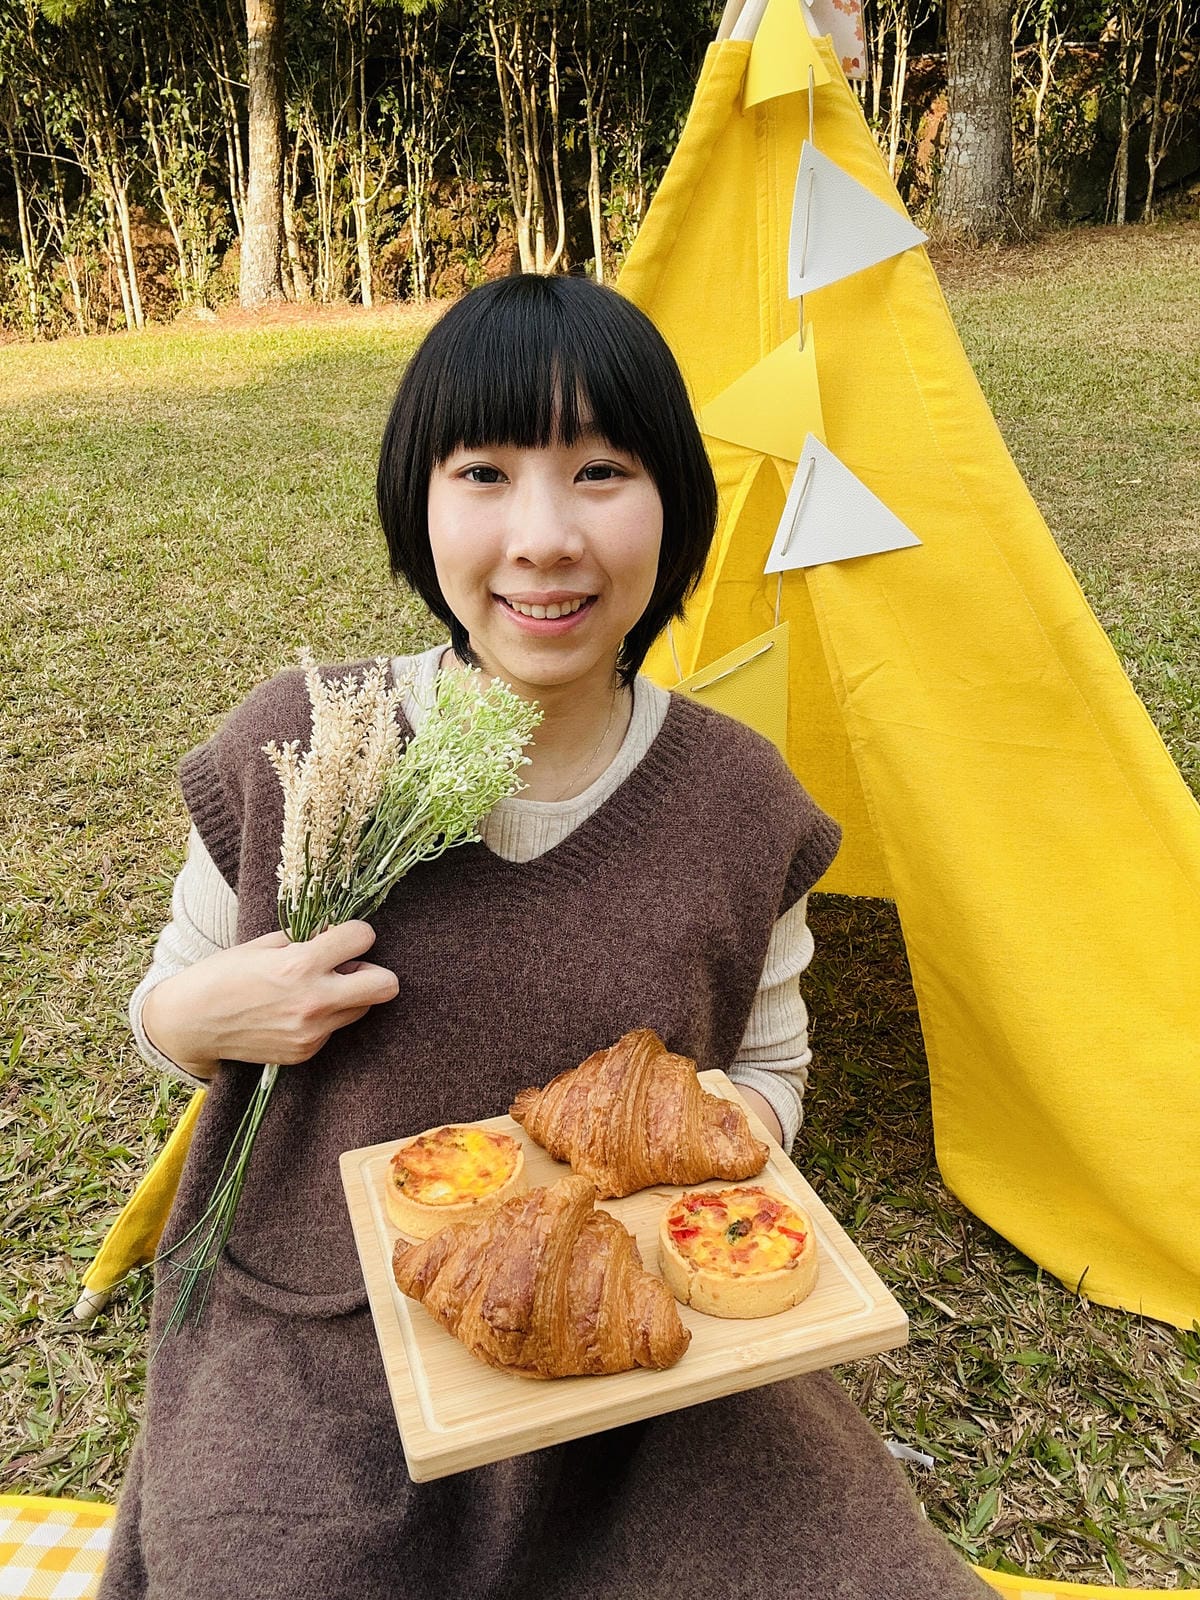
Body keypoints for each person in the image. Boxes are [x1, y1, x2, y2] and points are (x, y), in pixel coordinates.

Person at [99, 273, 993, 1599]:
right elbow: (166, 1004)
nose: (543, 539)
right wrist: (203, 1018)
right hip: (323, 1328)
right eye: (482, 472)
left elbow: (768, 1074)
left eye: (599, 472)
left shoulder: (741, 805)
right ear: (420, 501)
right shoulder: (298, 745)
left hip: (649, 1345)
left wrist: (710, 1146)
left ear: (672, 506)